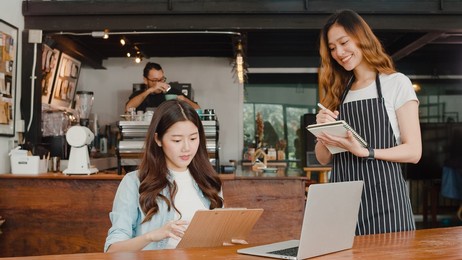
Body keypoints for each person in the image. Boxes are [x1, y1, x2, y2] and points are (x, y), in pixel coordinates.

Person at [315, 9, 422, 235]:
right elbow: (323, 158)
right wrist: (322, 128)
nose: (339, 53)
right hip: (342, 203)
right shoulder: (338, 91)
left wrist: (367, 152)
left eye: (344, 42)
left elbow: (413, 152)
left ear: (361, 37)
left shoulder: (396, 83)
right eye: (332, 48)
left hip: (386, 203)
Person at [105, 100, 223, 252]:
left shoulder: (210, 182)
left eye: (193, 138)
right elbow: (112, 250)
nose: (187, 148)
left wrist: (228, 243)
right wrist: (152, 236)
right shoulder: (134, 182)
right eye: (177, 140)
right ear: (158, 139)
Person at [125, 62, 200, 112]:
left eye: (162, 79)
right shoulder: (138, 95)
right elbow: (128, 109)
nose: (160, 83)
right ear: (145, 80)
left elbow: (198, 109)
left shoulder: (172, 92)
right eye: (155, 80)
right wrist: (150, 90)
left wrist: (185, 100)